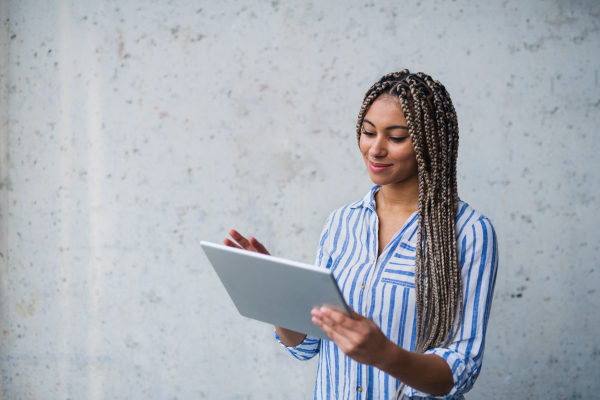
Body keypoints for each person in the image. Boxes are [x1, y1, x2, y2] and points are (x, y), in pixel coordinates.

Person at [224, 70, 498, 400]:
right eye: (368, 133)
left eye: (396, 138)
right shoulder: (341, 223)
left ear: (430, 143)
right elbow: (306, 345)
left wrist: (386, 354)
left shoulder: (468, 232)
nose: (375, 149)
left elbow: (460, 371)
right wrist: (275, 292)